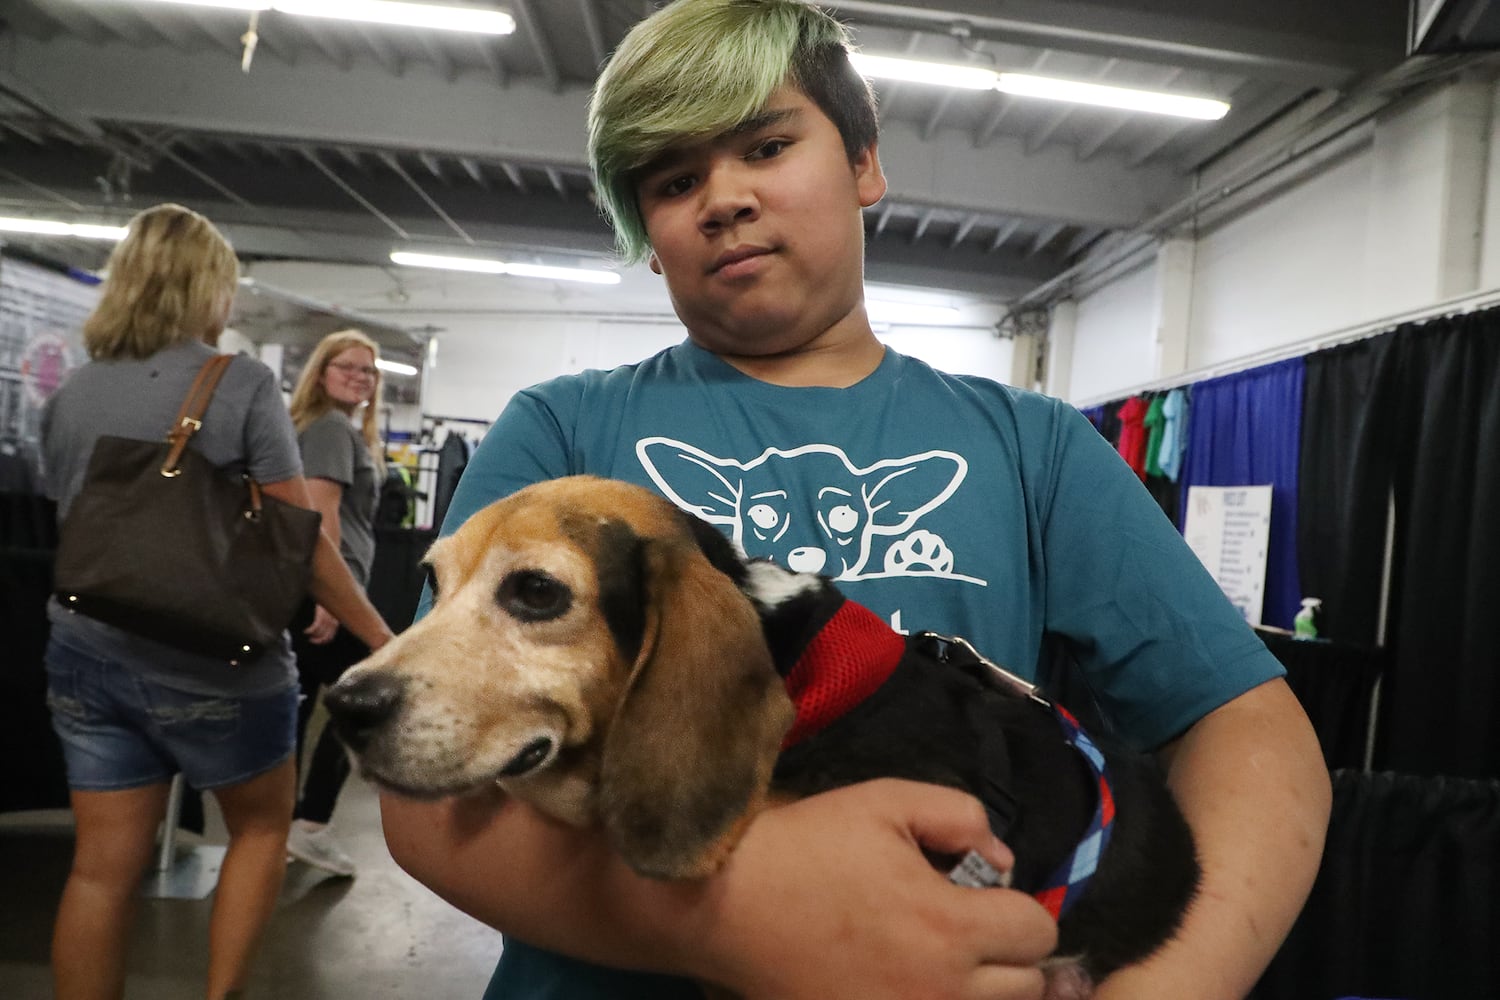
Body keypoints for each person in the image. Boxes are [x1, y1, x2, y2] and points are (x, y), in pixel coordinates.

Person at [378, 2, 1332, 998]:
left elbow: (1250, 729)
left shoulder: (1034, 447)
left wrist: (1165, 984)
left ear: (864, 163)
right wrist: (732, 916)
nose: (725, 197)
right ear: (648, 239)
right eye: (673, 179)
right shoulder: (562, 437)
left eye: (766, 143)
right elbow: (427, 782)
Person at [39, 203, 394, 1000]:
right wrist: (381, 635)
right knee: (263, 829)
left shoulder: (75, 392)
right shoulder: (237, 384)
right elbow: (298, 538)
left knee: (98, 872)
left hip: (88, 652)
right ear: (209, 289)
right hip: (216, 661)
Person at [283, 329, 386, 877]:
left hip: (327, 592)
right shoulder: (328, 430)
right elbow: (320, 517)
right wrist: (330, 598)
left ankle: (288, 824)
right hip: (330, 596)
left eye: (367, 370)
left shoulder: (334, 429)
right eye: (346, 366)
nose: (358, 376)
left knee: (298, 711)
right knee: (365, 709)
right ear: (321, 372)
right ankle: (311, 824)